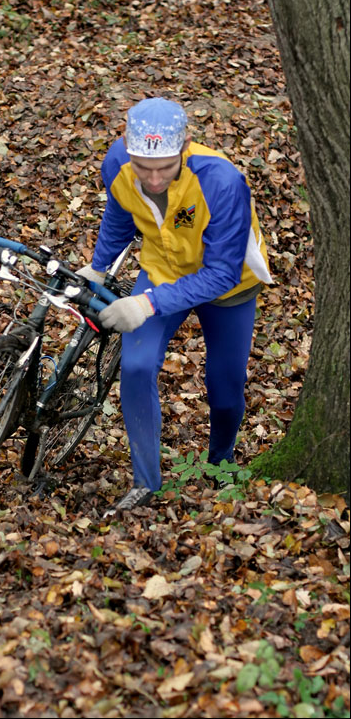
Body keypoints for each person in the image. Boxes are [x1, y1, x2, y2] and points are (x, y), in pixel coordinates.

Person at [78, 97, 273, 517]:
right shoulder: (118, 165)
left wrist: (146, 303)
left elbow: (221, 272)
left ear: (184, 146)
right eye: (141, 167)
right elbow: (119, 214)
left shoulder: (221, 181)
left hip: (229, 288)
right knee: (135, 365)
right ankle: (146, 482)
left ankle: (221, 459)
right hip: (163, 270)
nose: (152, 179)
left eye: (164, 167)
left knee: (225, 388)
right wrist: (97, 269)